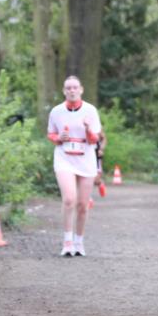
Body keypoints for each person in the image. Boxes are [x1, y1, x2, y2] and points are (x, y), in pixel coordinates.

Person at [47, 76, 102, 257]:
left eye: (75, 87)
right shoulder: (56, 111)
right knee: (69, 199)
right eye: (68, 88)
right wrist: (58, 138)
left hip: (86, 158)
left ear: (81, 90)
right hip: (64, 158)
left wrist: (87, 128)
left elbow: (95, 139)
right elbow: (51, 134)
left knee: (82, 205)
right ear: (64, 91)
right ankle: (67, 241)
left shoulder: (90, 111)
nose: (72, 90)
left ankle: (79, 241)